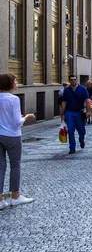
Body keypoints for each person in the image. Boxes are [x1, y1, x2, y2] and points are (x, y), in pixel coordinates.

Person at [0, 73, 36, 210]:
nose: (17, 83)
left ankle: (0, 200)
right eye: (15, 81)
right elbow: (17, 123)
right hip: (12, 136)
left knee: (0, 166)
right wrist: (26, 117)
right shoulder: (14, 99)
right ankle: (15, 195)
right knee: (15, 165)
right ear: (9, 83)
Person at [60, 75, 90, 154]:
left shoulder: (82, 89)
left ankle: (81, 139)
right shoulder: (66, 90)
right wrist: (62, 114)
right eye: (71, 80)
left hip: (79, 112)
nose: (73, 81)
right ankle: (72, 147)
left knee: (81, 129)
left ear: (77, 80)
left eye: (74, 79)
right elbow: (64, 102)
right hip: (69, 112)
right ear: (69, 81)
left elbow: (87, 100)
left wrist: (88, 111)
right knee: (70, 130)